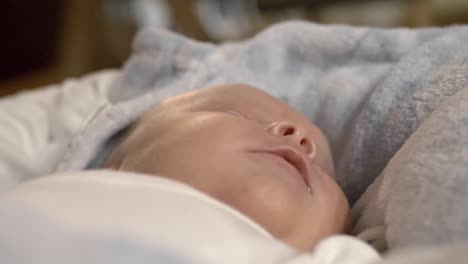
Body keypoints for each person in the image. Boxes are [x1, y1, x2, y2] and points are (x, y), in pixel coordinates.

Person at [104, 84, 363, 252]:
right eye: (239, 116)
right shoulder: (78, 201)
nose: (301, 137)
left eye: (326, 172)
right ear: (114, 171)